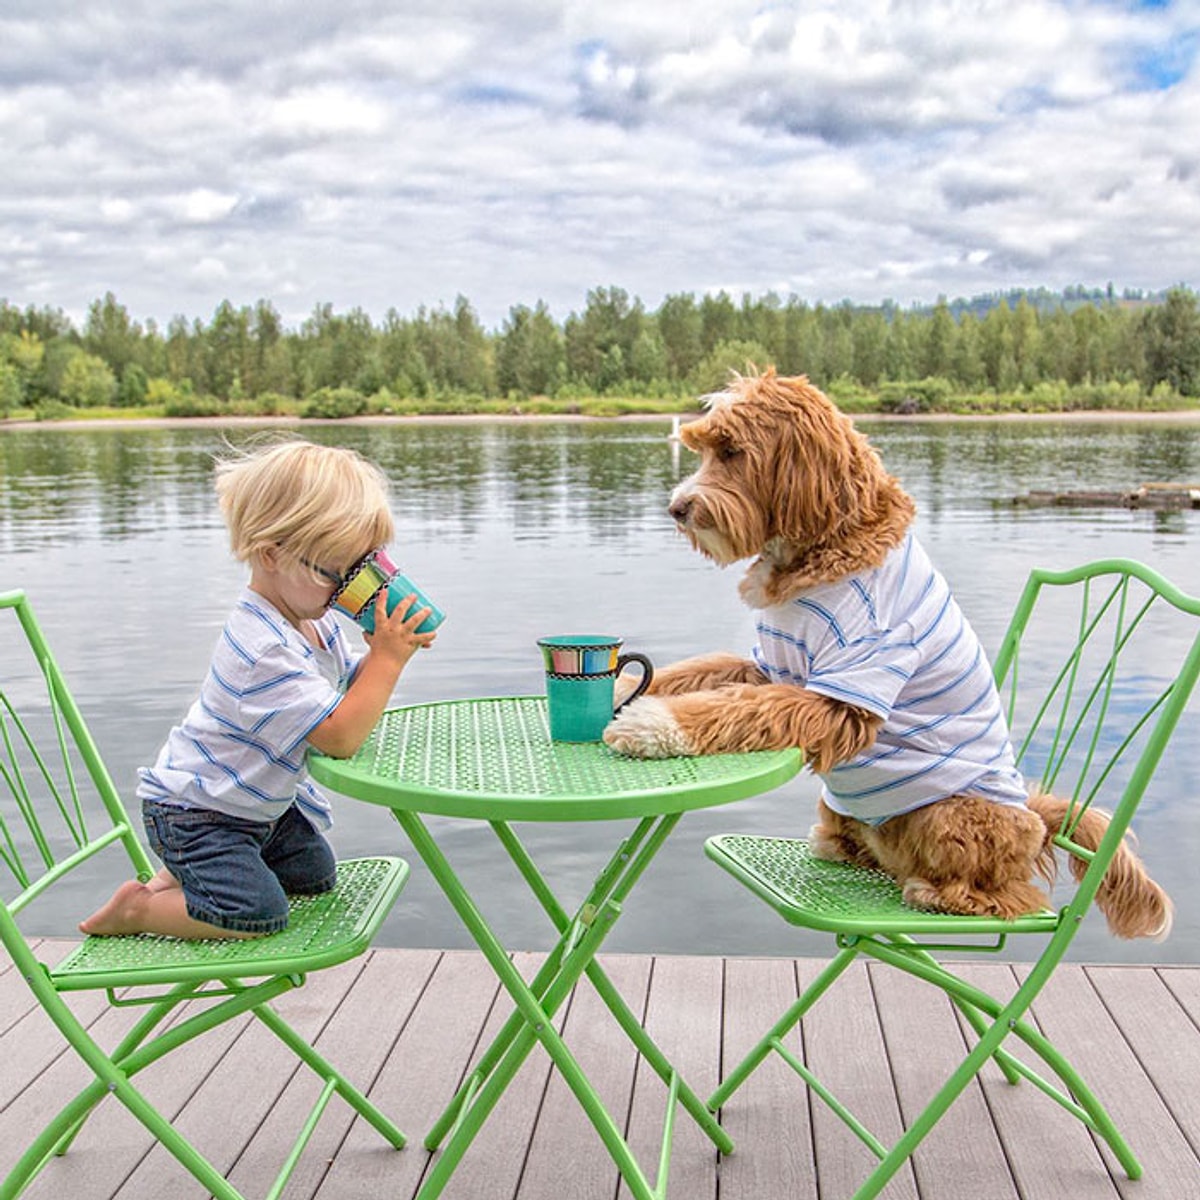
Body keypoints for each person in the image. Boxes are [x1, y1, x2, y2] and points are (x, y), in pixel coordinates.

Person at [80, 437, 437, 938]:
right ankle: (137, 911)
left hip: (256, 810)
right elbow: (339, 735)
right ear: (272, 555)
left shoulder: (315, 621)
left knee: (314, 879)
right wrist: (387, 660)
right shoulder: (260, 649)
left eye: (365, 570)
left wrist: (381, 652)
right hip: (197, 815)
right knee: (259, 915)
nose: (350, 592)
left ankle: (177, 876)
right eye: (339, 575)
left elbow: (339, 694)